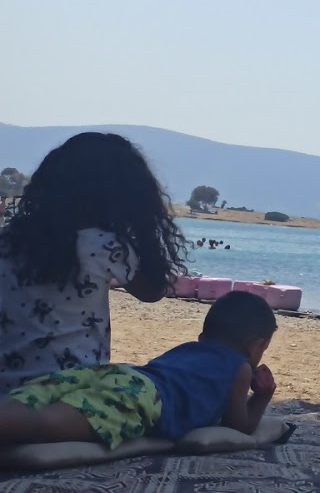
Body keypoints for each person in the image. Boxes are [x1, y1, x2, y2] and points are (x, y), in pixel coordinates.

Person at [0, 133, 186, 393]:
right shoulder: (106, 246)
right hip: (71, 390)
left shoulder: (8, 239)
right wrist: (143, 228)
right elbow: (153, 292)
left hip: (8, 389)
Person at [0, 289, 277, 449]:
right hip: (141, 396)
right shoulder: (239, 367)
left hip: (119, 373)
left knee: (33, 400)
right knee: (46, 424)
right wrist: (262, 396)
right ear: (255, 345)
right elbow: (238, 427)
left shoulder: (191, 349)